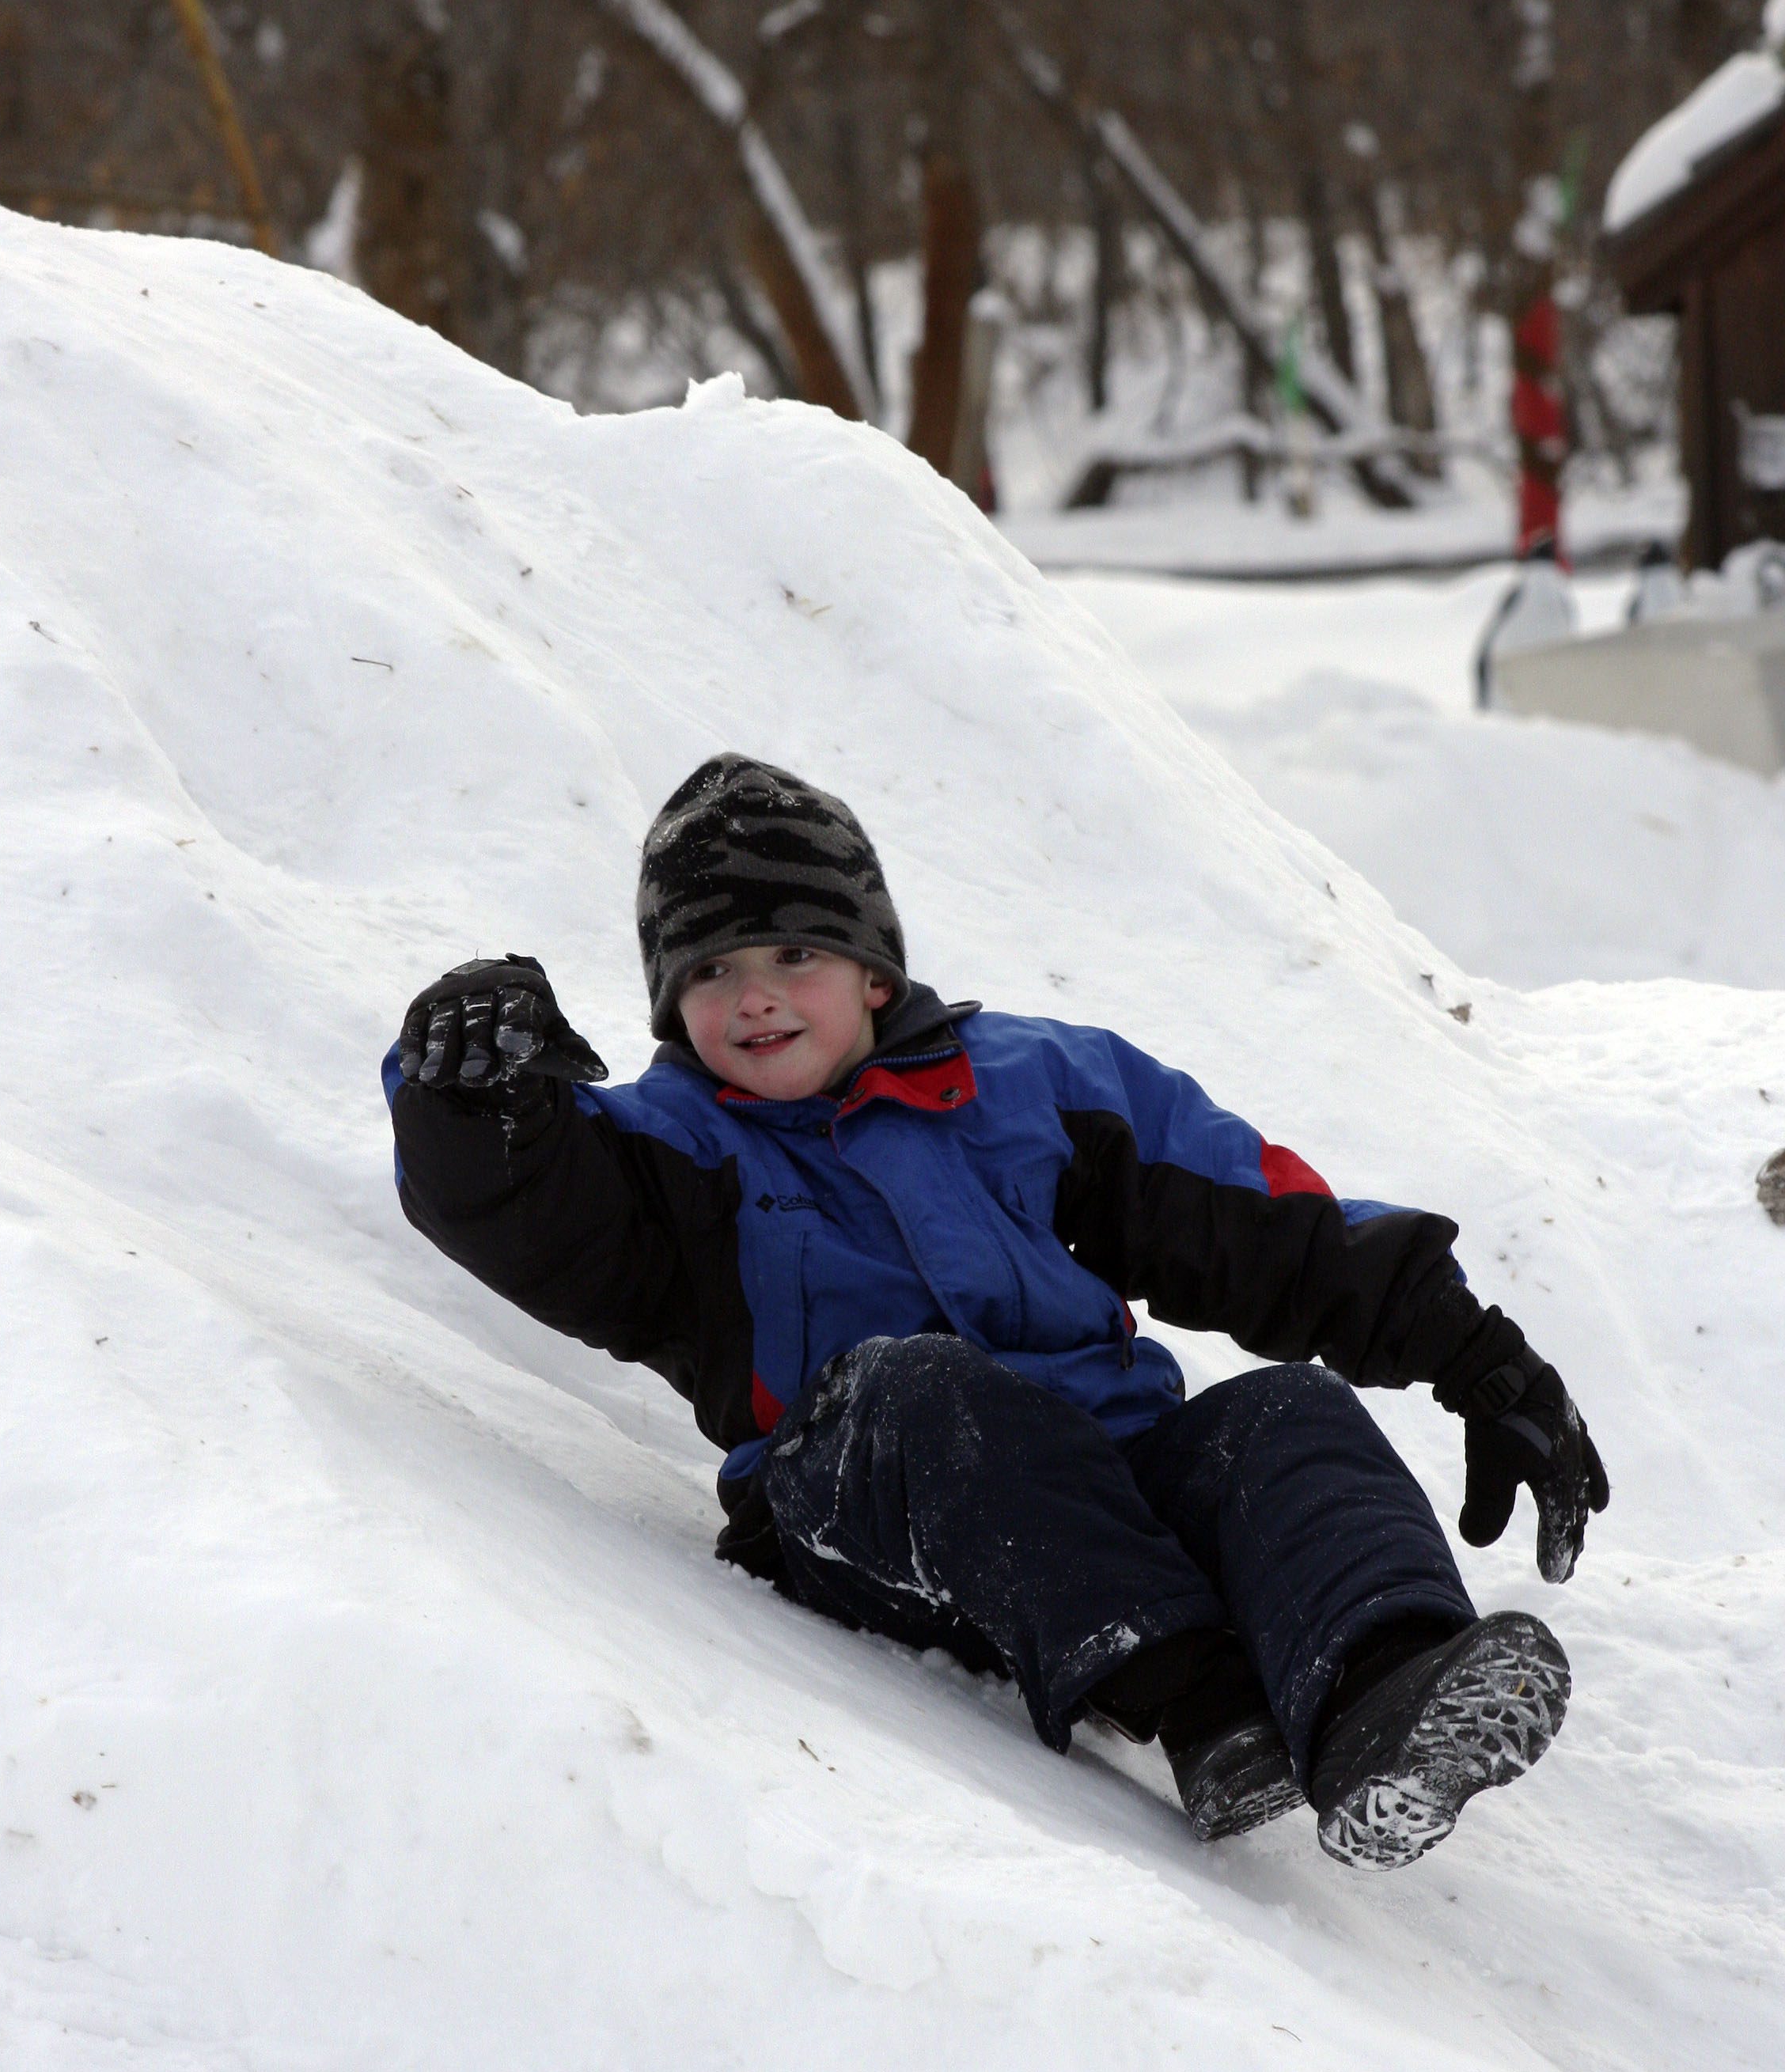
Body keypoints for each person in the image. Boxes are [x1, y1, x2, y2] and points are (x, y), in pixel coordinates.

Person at [384, 754, 1608, 1871]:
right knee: (921, 1389)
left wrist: (1481, 1361)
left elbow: (1256, 1220)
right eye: (709, 971)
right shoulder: (673, 1157)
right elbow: (523, 1204)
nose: (752, 997)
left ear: (874, 970)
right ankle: (1206, 1702)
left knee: (1286, 1413)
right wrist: (470, 1091)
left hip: (1105, 1488)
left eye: (790, 954)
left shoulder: (1032, 1083)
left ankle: (1381, 1696)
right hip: (862, 1501)